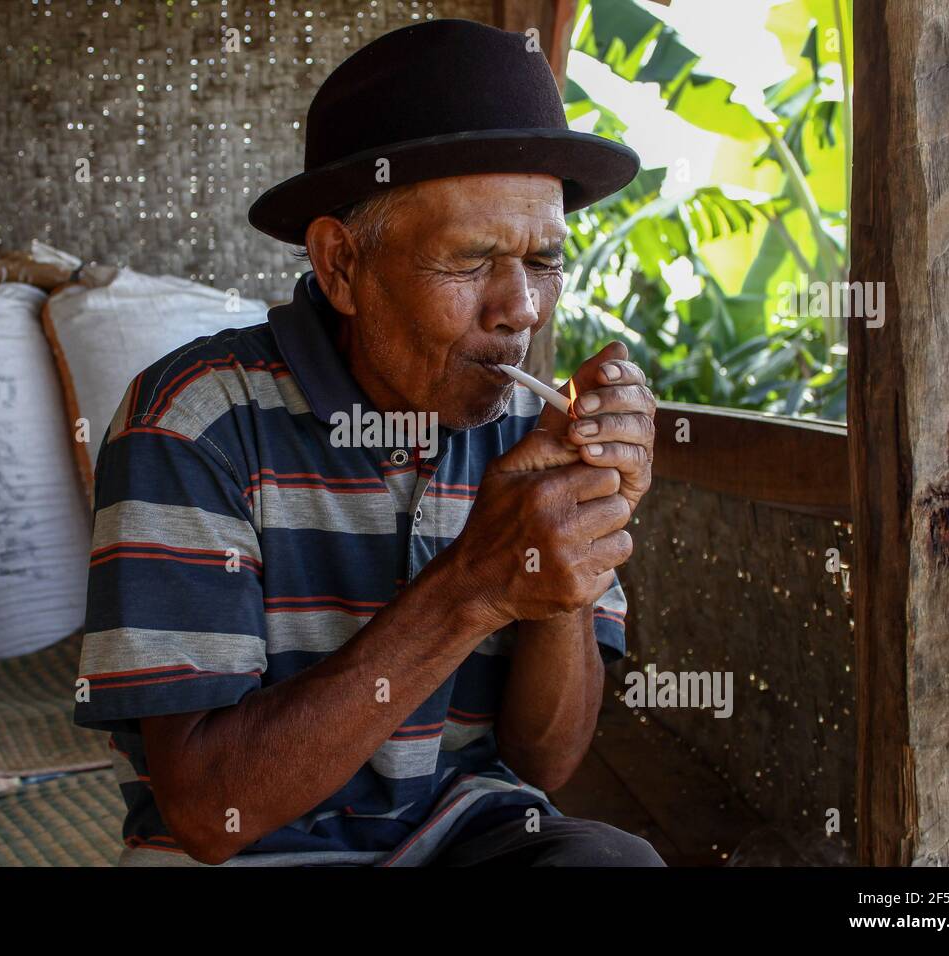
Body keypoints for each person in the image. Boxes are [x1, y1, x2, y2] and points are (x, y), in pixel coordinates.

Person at [73, 18, 661, 867]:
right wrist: (473, 587)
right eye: (471, 261)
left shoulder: (529, 435)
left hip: (462, 833)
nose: (522, 310)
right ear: (342, 264)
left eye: (543, 261)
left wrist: (566, 560)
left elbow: (546, 761)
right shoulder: (194, 422)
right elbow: (208, 812)